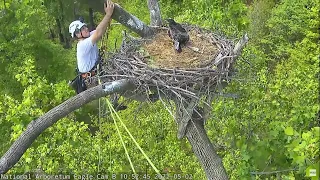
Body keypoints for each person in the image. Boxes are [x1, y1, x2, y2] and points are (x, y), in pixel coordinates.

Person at [69, 0, 115, 75]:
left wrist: (108, 14)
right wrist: (108, 15)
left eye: (85, 27)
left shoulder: (88, 37)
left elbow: (101, 30)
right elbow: (98, 33)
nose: (86, 29)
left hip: (96, 72)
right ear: (77, 34)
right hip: (91, 78)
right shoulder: (82, 45)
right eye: (83, 29)